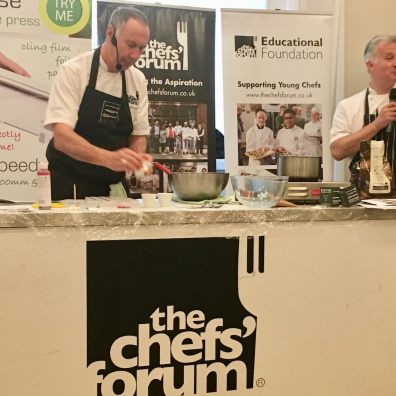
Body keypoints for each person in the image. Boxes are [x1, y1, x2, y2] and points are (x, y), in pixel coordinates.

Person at [44, 7, 152, 199]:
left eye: (142, 48)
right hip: (70, 185)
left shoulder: (138, 80)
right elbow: (62, 137)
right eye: (131, 45)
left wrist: (136, 158)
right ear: (110, 32)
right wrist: (109, 159)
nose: (136, 55)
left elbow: (138, 135)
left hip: (112, 188)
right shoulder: (74, 71)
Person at [330, 34, 396, 189]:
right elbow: (337, 151)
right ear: (370, 65)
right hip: (364, 200)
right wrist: (376, 125)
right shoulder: (348, 106)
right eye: (389, 58)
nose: (395, 63)